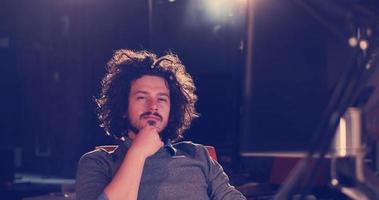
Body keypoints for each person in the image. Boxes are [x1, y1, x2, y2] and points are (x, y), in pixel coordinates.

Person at [75, 49, 247, 200]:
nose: (153, 106)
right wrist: (138, 152)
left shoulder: (198, 155)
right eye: (142, 97)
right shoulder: (99, 162)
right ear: (123, 108)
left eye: (161, 99)